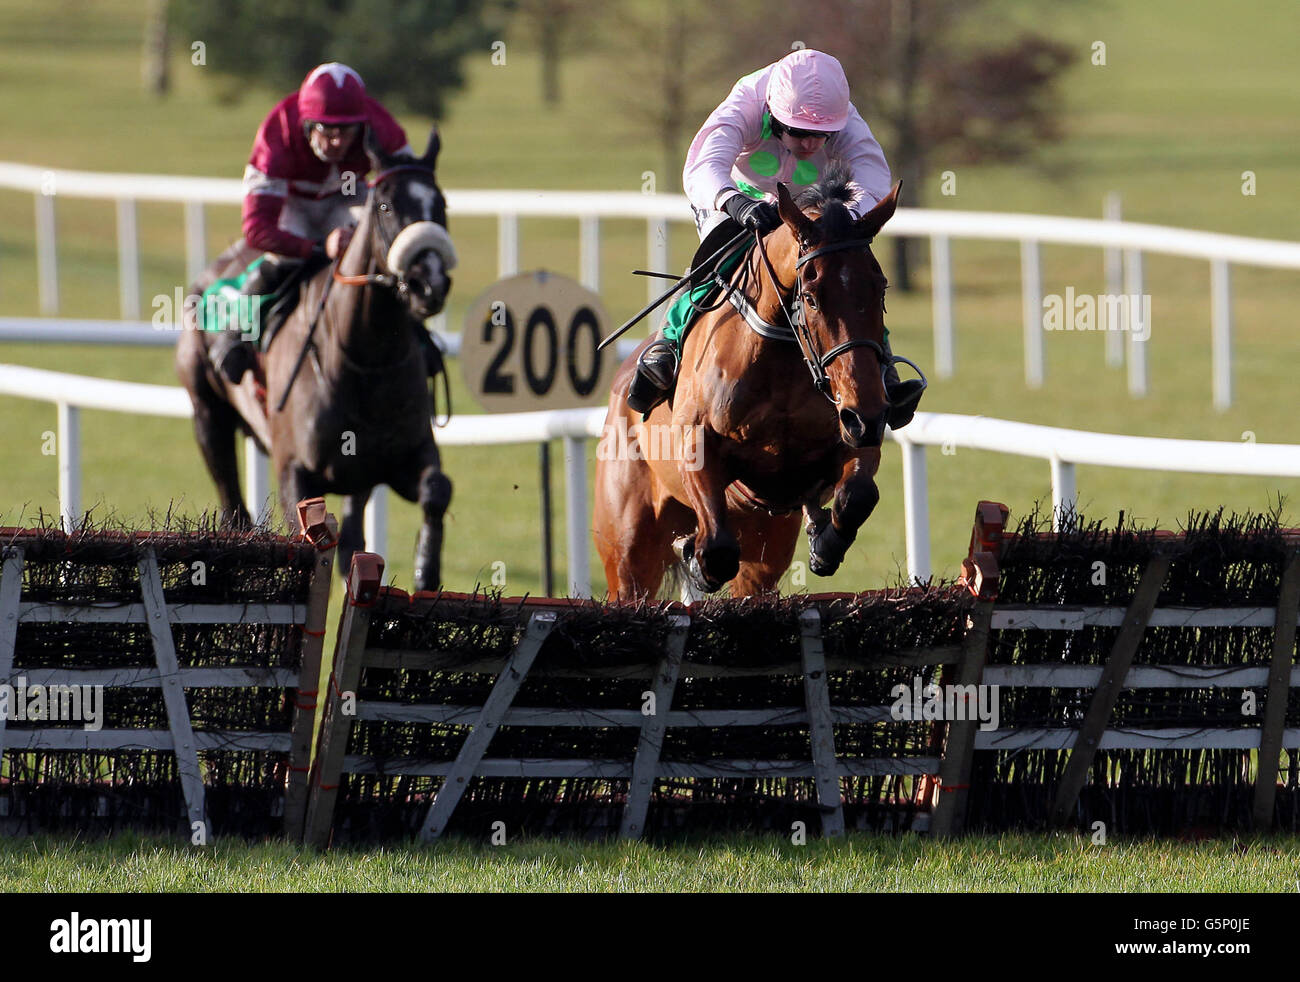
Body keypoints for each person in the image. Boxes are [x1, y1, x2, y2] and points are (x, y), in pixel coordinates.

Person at [626, 48, 901, 415]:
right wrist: (735, 203)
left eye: (822, 135)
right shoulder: (747, 101)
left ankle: (882, 362)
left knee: (848, 272)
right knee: (716, 261)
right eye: (800, 132)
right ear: (773, 112)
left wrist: (845, 219)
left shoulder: (844, 116)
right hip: (736, 198)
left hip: (807, 209)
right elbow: (703, 166)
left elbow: (873, 177)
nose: (809, 144)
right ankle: (668, 344)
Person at [209, 62, 441, 384]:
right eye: (326, 132)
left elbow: (405, 194)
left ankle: (417, 333)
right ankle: (233, 334)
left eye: (345, 133)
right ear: (306, 125)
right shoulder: (277, 134)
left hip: (349, 192)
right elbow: (258, 230)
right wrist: (319, 246)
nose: (336, 143)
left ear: (362, 124)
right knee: (284, 256)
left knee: (385, 248)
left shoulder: (382, 128)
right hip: (293, 202)